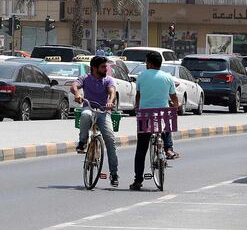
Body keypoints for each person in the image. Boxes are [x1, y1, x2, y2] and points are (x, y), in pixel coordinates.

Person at [130, 51, 180, 191]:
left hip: (146, 115)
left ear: (149, 63)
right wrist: (176, 106)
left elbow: (138, 95)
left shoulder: (142, 76)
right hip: (162, 114)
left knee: (141, 149)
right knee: (167, 119)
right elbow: (174, 97)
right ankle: (168, 148)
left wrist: (137, 108)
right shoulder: (167, 77)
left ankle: (138, 181)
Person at [71, 55, 119, 187]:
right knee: (85, 114)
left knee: (110, 140)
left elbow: (112, 92)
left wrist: (110, 102)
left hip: (104, 111)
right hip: (90, 108)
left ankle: (114, 173)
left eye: (106, 67)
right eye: (103, 67)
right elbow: (74, 85)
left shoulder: (108, 80)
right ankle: (82, 142)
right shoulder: (85, 78)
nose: (106, 69)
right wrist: (77, 94)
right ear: (94, 68)